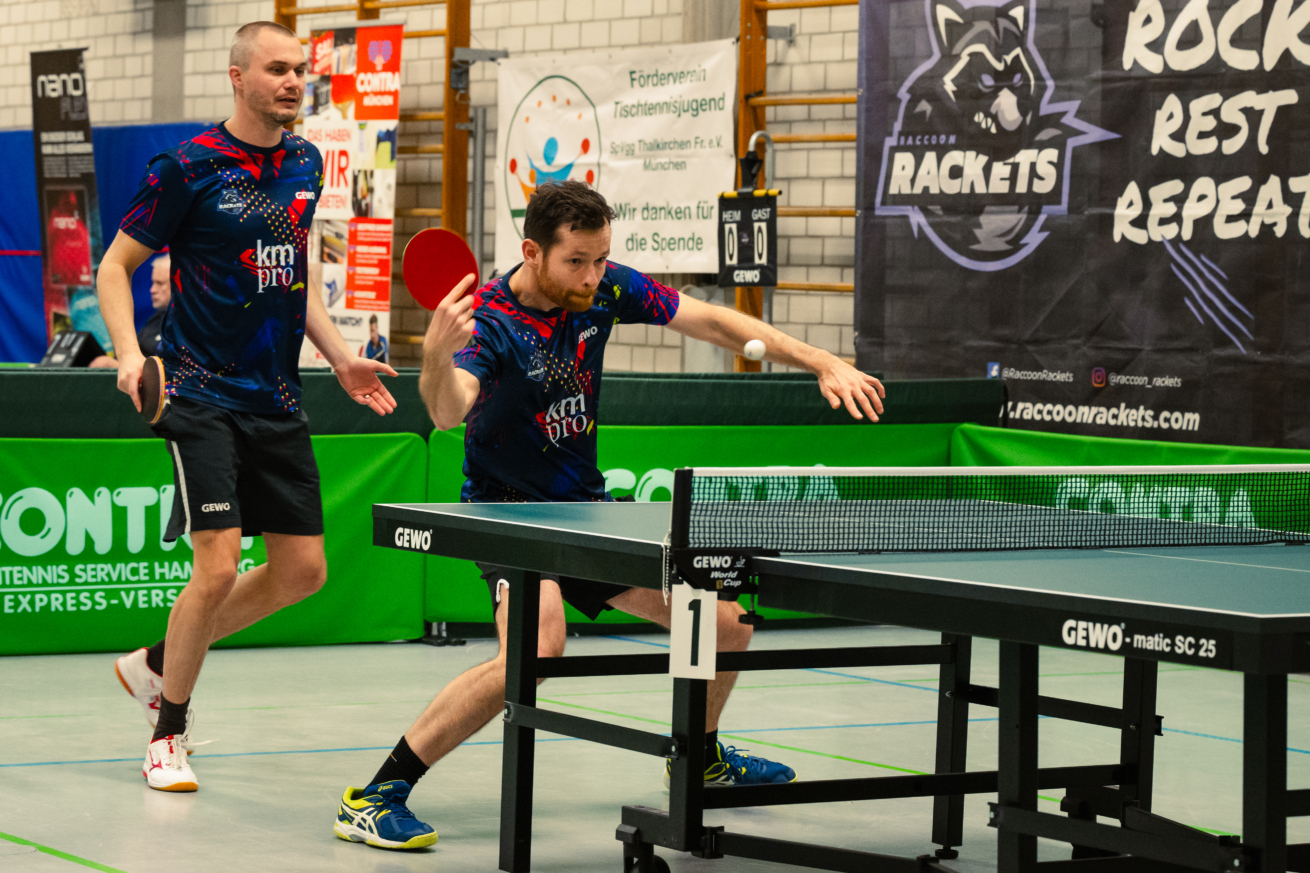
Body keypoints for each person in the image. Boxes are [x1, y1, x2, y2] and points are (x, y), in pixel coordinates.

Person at [332, 179, 885, 850]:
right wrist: (435, 358)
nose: (593, 276)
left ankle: (699, 757)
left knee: (725, 624)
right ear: (533, 252)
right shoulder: (493, 322)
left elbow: (711, 321)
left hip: (586, 511)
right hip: (510, 516)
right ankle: (376, 795)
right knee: (536, 650)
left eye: (600, 258)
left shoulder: (605, 288)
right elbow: (448, 411)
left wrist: (819, 359)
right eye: (577, 262)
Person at [96, 20, 399, 794]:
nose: (294, 82)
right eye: (277, 69)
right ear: (238, 78)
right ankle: (168, 732)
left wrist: (340, 357)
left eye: (300, 70)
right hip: (197, 391)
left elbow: (291, 271)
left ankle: (156, 663)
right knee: (219, 564)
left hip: (276, 395)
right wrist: (129, 354)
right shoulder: (186, 167)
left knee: (303, 571)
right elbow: (115, 266)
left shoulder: (304, 163)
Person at [89, 253, 172, 367]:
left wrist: (115, 366)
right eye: (153, 282)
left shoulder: (184, 326)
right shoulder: (159, 315)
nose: (152, 290)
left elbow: (170, 370)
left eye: (160, 283)